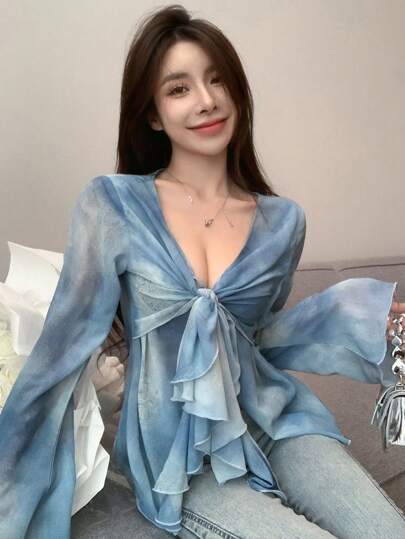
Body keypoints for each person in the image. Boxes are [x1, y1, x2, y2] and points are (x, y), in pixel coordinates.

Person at [1, 4, 404, 538]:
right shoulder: (112, 205)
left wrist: (355, 312)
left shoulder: (284, 222)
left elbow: (255, 340)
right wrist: (10, 487)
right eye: (179, 88)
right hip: (178, 458)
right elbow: (60, 352)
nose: (207, 100)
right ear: (152, 114)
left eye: (217, 80)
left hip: (276, 421)